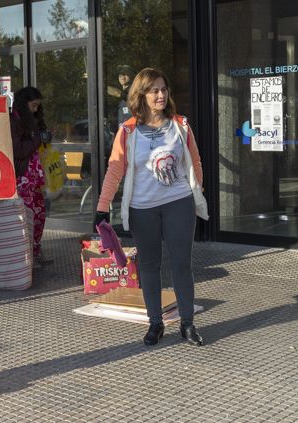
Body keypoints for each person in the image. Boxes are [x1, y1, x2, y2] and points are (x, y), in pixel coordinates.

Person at [94, 67, 209, 347]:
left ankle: (187, 324)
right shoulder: (128, 131)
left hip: (178, 204)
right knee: (149, 265)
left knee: (182, 265)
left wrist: (198, 188)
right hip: (142, 208)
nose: (160, 95)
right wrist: (102, 206)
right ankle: (155, 324)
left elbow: (195, 162)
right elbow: (114, 170)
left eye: (164, 89)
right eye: (154, 90)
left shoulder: (180, 125)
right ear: (141, 95)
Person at [10, 86, 53, 268]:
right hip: (23, 179)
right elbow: (19, 150)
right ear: (23, 103)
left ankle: (35, 252)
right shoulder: (14, 121)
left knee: (39, 216)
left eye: (38, 106)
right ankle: (28, 257)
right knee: (28, 218)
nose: (35, 110)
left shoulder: (30, 120)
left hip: (34, 179)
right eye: (33, 106)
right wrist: (37, 138)